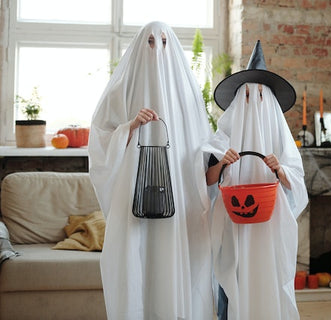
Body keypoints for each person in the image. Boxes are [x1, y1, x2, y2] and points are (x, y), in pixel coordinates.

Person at [88, 21, 213, 319]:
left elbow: (200, 148)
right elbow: (100, 137)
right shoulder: (122, 89)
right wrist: (131, 126)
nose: (158, 50)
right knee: (136, 259)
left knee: (173, 259)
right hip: (133, 196)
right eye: (151, 42)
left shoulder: (186, 95)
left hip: (179, 197)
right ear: (140, 45)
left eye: (165, 42)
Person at [201, 40, 309, 320]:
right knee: (236, 275)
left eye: (261, 96)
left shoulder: (280, 140)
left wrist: (280, 169)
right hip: (233, 222)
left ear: (270, 102)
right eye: (247, 97)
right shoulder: (223, 137)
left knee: (266, 275)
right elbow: (208, 180)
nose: (253, 103)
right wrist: (223, 161)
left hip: (269, 224)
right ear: (238, 102)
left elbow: (296, 183)